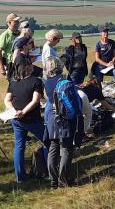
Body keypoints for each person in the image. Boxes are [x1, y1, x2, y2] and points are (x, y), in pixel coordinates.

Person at [43, 49, 81, 189]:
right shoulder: (65, 82)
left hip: (51, 117)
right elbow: (72, 104)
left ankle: (53, 181)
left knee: (53, 148)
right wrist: (75, 119)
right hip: (64, 118)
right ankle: (63, 180)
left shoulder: (46, 82)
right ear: (59, 66)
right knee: (66, 148)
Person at [3, 60, 47, 182]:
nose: (33, 66)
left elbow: (7, 100)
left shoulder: (13, 83)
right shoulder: (36, 81)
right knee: (48, 141)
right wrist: (23, 112)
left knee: (19, 146)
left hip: (16, 119)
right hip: (31, 119)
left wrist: (15, 111)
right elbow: (36, 100)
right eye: (31, 64)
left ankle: (20, 176)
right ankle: (50, 169)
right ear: (28, 67)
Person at [0, 13, 22, 79]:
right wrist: (1, 68)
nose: (17, 23)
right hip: (10, 64)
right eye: (15, 21)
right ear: (9, 23)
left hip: (21, 63)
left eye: (18, 21)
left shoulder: (21, 33)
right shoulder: (5, 35)